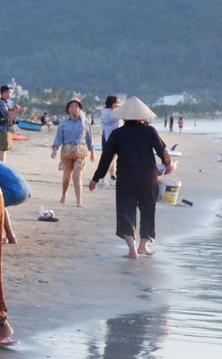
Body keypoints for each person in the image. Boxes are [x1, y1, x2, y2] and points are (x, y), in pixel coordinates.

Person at [89, 97, 171, 259]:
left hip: (126, 178)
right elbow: (163, 152)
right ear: (142, 116)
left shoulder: (117, 133)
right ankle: (143, 246)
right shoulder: (150, 131)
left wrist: (96, 178)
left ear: (124, 116)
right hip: (148, 178)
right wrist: (168, 164)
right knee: (148, 211)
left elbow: (106, 158)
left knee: (126, 211)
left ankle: (132, 251)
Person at [51, 98, 95, 206]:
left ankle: (79, 200)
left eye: (76, 106)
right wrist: (54, 150)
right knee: (67, 176)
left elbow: (89, 137)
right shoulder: (63, 123)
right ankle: (64, 194)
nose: (74, 108)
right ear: (68, 109)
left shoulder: (85, 122)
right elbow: (58, 138)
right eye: (71, 106)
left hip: (80, 151)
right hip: (67, 152)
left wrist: (92, 151)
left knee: (77, 174)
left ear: (80, 109)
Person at [0, 85, 23, 162]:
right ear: (4, 93)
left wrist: (16, 110)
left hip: (6, 129)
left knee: (4, 148)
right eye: (9, 93)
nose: (11, 95)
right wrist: (17, 111)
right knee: (3, 149)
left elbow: (9, 114)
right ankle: (2, 164)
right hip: (2, 129)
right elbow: (7, 114)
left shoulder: (5, 103)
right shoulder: (0, 103)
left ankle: (1, 163)